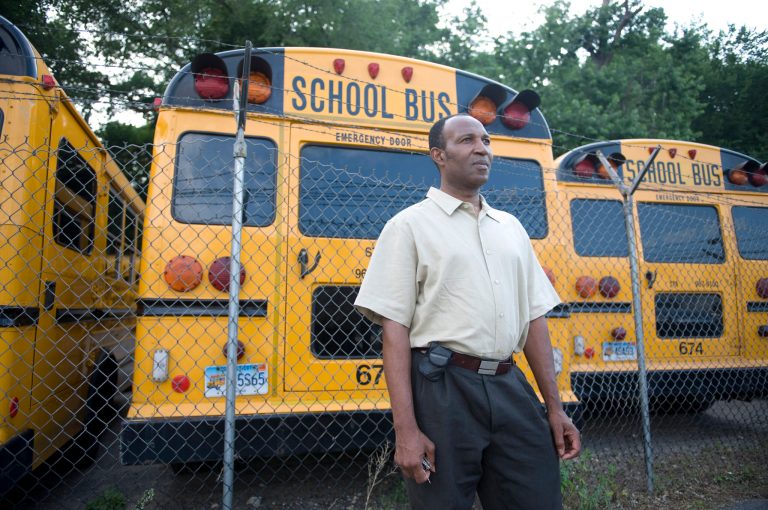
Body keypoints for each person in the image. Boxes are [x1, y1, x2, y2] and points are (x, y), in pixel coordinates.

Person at [354, 113, 581, 510]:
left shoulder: (511, 228)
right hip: (444, 390)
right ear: (438, 155)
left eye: (486, 140)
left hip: (510, 384)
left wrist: (555, 408)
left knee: (538, 498)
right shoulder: (408, 226)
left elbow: (534, 321)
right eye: (467, 141)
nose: (482, 148)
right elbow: (395, 331)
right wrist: (405, 430)